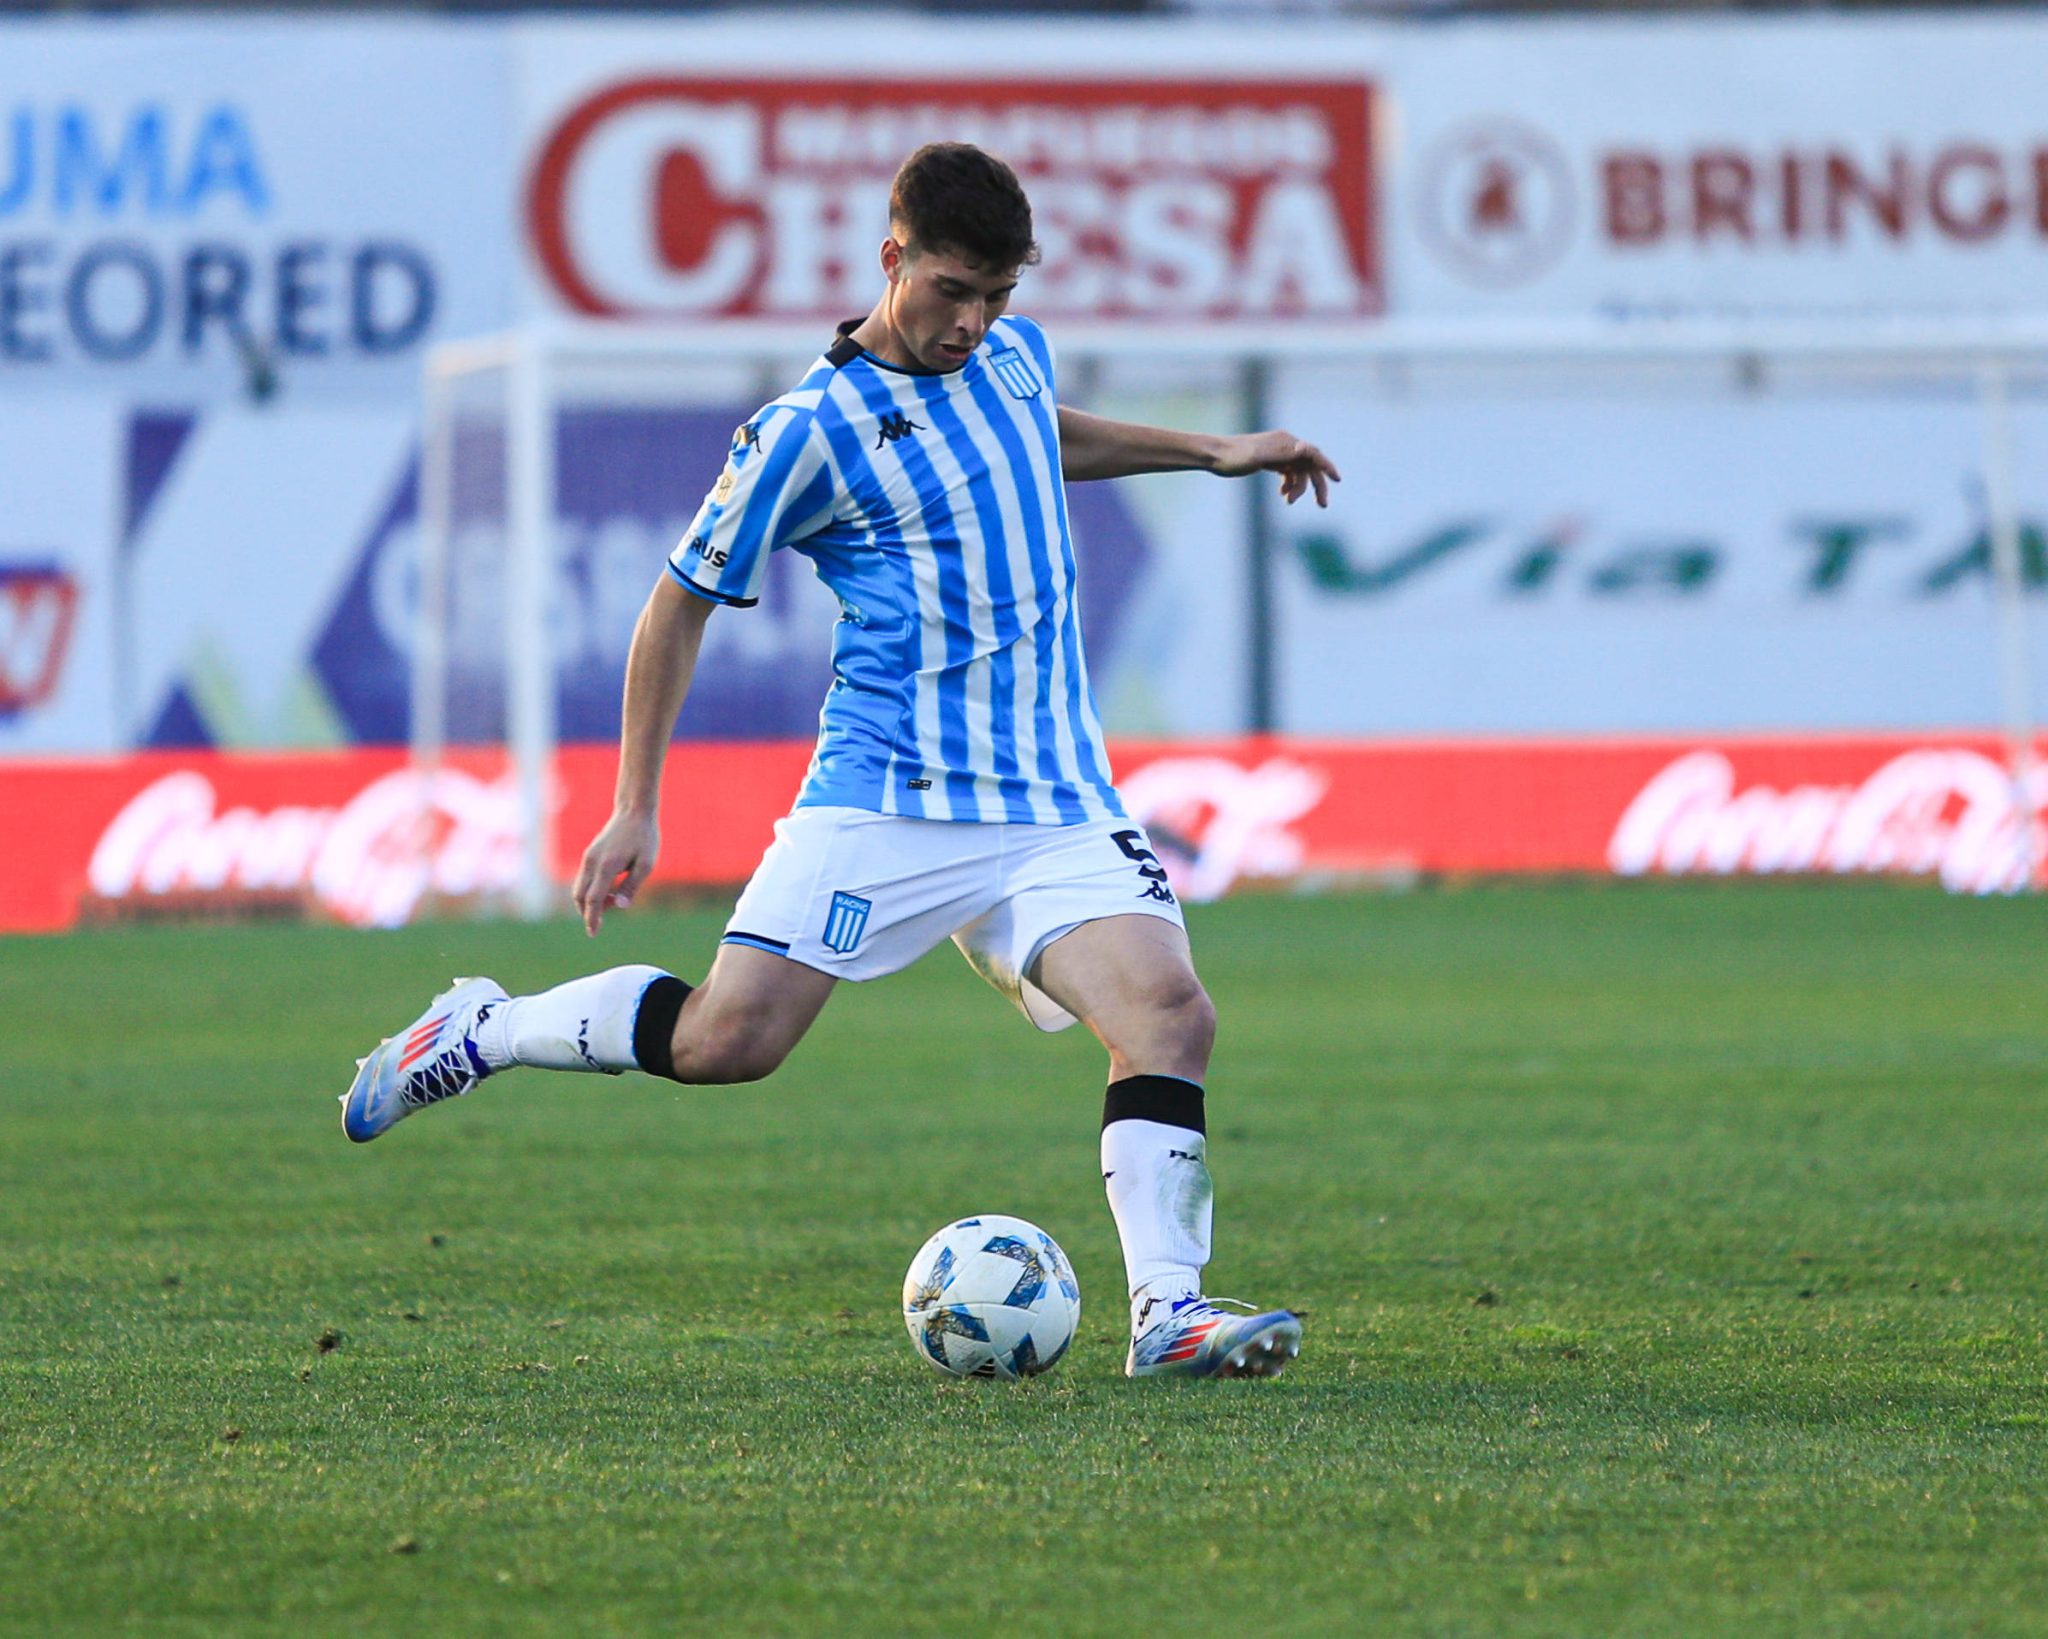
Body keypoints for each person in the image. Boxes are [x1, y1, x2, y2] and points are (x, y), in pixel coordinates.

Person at [343, 142, 1339, 1381]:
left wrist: (1212, 451)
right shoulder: (804, 432)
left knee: (1169, 1015)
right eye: (950, 292)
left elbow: (1036, 439)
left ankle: (1167, 1313)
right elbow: (673, 604)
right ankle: (487, 1028)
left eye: (996, 298)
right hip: (891, 798)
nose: (971, 325)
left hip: (1052, 797)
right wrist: (633, 804)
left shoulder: (1011, 359)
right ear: (891, 259)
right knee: (727, 1043)